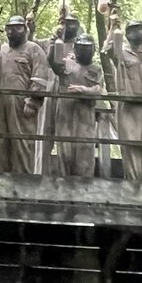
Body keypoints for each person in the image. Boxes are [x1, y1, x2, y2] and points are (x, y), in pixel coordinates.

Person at [0, 16, 50, 174]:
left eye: (17, 28)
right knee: (0, 143)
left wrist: (33, 102)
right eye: (9, 28)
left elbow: (40, 78)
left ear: (25, 29)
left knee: (22, 145)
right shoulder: (1, 50)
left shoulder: (34, 49)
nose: (12, 32)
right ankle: (1, 184)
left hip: (22, 106)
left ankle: (23, 187)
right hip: (0, 103)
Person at [103, 17, 142, 181]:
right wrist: (112, 26)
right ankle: (133, 186)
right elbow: (107, 49)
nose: (137, 33)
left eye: (140, 29)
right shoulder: (120, 52)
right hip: (128, 109)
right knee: (131, 148)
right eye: (132, 29)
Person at [49, 33, 105, 176]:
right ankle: (64, 189)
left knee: (85, 153)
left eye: (88, 48)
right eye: (81, 47)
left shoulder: (96, 69)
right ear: (75, 48)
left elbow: (99, 90)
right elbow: (53, 63)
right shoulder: (67, 64)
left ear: (93, 50)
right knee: (65, 152)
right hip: (65, 114)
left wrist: (83, 90)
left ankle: (84, 190)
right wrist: (54, 43)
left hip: (85, 116)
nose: (84, 51)